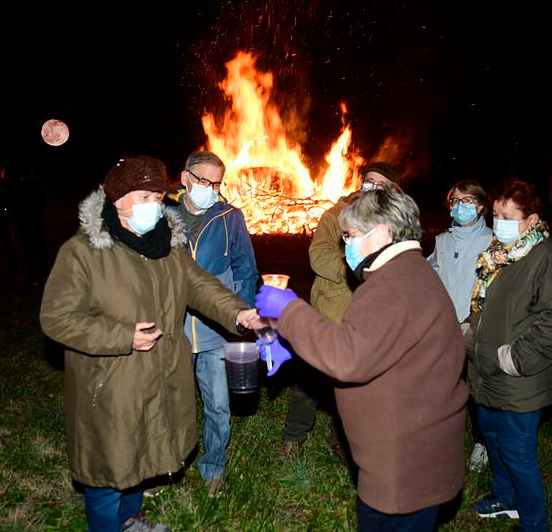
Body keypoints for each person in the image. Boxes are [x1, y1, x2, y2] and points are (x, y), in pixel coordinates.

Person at [39, 155, 259, 532]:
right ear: (117, 199)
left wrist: (239, 314)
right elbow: (56, 319)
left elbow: (201, 286)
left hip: (161, 372)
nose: (152, 206)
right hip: (110, 380)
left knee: (142, 453)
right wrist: (122, 336)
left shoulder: (167, 247)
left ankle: (130, 518)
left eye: (157, 197)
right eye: (142, 197)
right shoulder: (83, 252)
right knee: (110, 465)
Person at [255, 186, 468, 531]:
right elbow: (371, 353)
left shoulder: (393, 286)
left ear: (381, 233)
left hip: (404, 471)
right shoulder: (408, 273)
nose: (346, 246)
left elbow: (348, 357)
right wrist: (292, 346)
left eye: (351, 236)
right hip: (416, 458)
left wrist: (289, 309)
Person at [466, 177, 552, 531]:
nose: (498, 222)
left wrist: (513, 359)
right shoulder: (500, 254)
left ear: (531, 219)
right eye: (496, 214)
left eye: (507, 215)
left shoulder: (550, 258)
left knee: (517, 451)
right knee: (495, 440)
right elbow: (487, 308)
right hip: (486, 373)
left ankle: (534, 522)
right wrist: (469, 336)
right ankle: (506, 497)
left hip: (519, 378)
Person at [278, 161, 400, 467]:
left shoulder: (393, 223)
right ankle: (293, 437)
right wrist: (360, 269)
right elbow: (318, 256)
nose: (372, 188)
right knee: (311, 379)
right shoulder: (335, 215)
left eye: (380, 185)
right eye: (368, 182)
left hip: (370, 313)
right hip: (332, 309)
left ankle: (341, 440)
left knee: (353, 384)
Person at [166, 150, 259, 498]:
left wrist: (242, 317)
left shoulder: (229, 217)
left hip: (215, 328)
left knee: (218, 403)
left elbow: (246, 269)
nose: (210, 189)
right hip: (172, 326)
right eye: (204, 181)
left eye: (217, 183)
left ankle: (214, 466)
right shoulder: (162, 214)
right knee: (170, 400)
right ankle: (168, 463)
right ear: (185, 177)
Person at [427, 179, 493, 473]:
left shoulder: (492, 241)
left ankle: (482, 443)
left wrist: (475, 320)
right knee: (442, 387)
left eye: (468, 201)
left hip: (474, 326)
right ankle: (442, 440)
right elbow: (432, 272)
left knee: (476, 388)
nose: (461, 206)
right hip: (444, 326)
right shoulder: (442, 241)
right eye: (455, 201)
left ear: (480, 206)